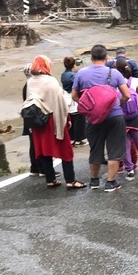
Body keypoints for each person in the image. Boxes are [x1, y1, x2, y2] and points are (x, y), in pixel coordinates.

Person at [72, 44, 131, 192]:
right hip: (114, 115)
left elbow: (74, 95)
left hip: (93, 118)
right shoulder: (115, 73)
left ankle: (94, 181)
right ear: (106, 58)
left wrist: (89, 109)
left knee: (95, 148)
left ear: (91, 58)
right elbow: (127, 95)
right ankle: (111, 183)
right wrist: (117, 104)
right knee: (115, 149)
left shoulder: (81, 73)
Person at [25, 55, 86, 190]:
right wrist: (68, 119)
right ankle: (70, 180)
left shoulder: (30, 82)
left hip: (37, 121)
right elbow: (60, 102)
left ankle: (50, 179)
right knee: (65, 150)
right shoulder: (50, 81)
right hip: (53, 120)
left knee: (44, 150)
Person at [22, 63, 44, 177]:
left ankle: (34, 167)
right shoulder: (31, 86)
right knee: (38, 143)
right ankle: (41, 168)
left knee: (33, 143)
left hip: (28, 118)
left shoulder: (26, 86)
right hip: (35, 118)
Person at [61, 56, 86, 146]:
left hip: (66, 97)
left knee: (70, 119)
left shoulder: (63, 74)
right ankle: (79, 139)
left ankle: (72, 139)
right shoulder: (72, 76)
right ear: (73, 65)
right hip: (73, 98)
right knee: (78, 119)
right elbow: (79, 83)